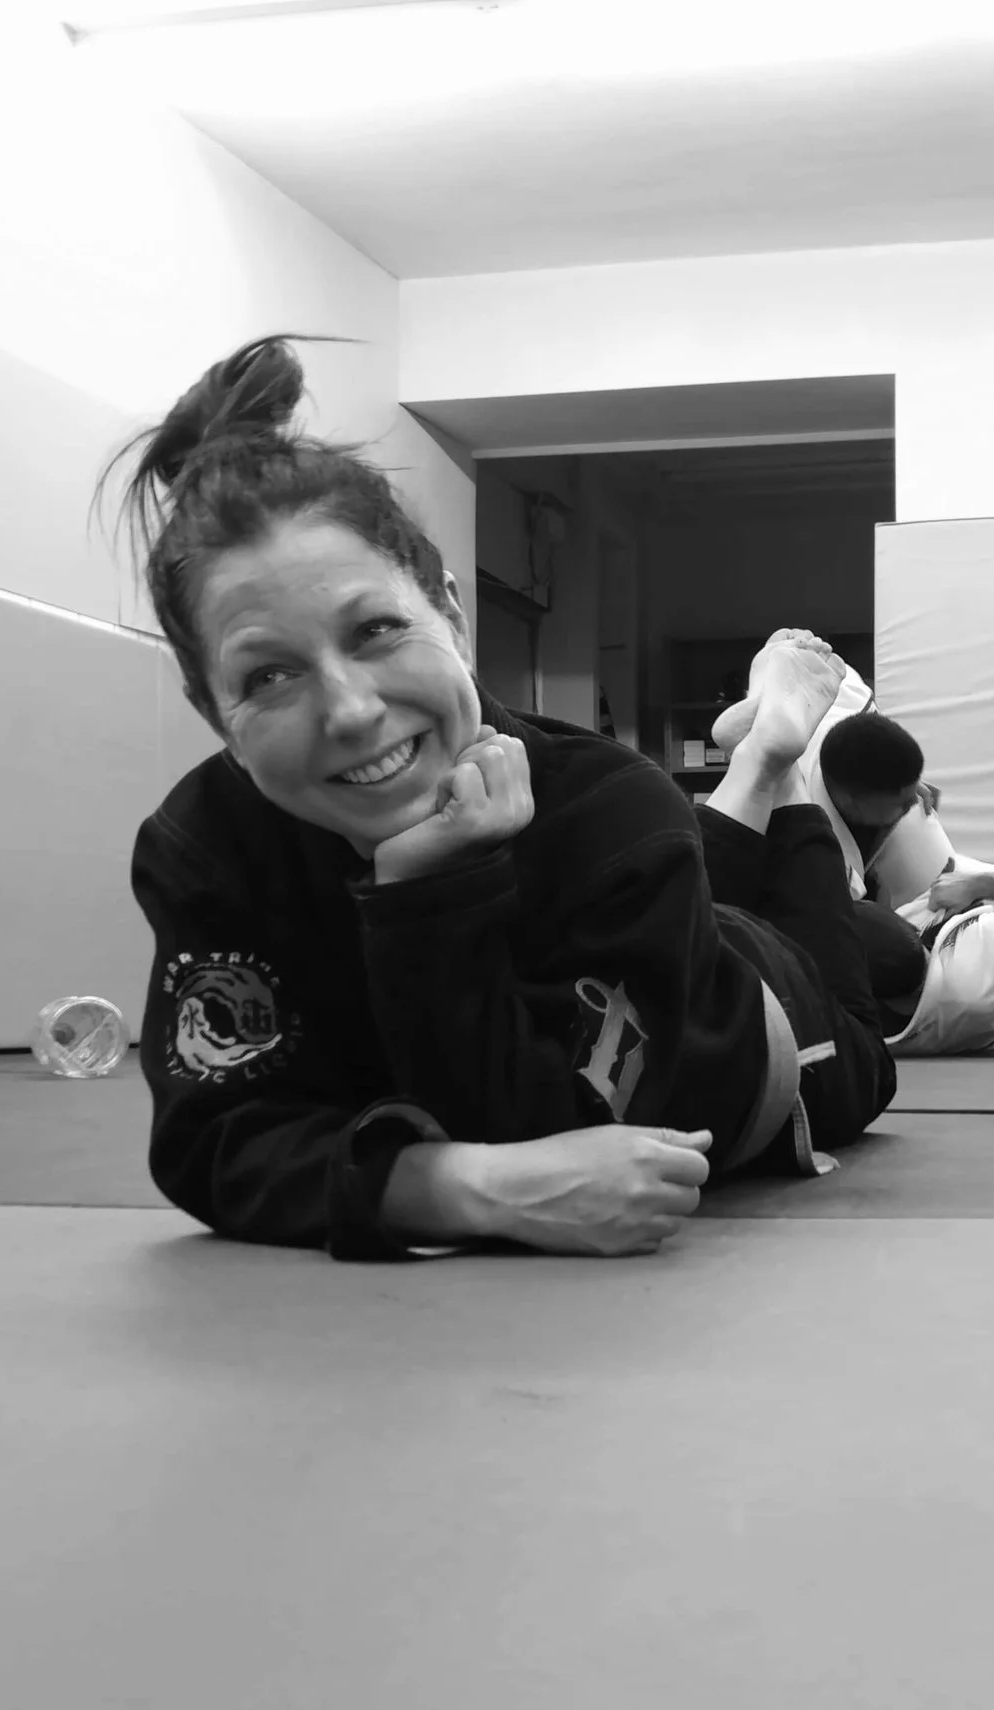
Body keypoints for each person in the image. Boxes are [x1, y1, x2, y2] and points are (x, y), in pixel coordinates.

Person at [119, 336, 912, 1261]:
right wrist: (456, 1188)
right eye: (267, 676)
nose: (349, 710)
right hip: (668, 914)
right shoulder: (205, 845)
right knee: (704, 887)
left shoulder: (613, 806)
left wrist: (427, 900)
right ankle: (763, 761)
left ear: (451, 614)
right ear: (209, 709)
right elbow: (213, 1141)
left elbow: (554, 1128)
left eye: (375, 629)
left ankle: (785, 758)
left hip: (778, 1029)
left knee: (859, 1004)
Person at [720, 690, 994, 1055]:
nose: (916, 801)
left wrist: (904, 787)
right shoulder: (800, 829)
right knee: (832, 917)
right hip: (924, 976)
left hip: (922, 999)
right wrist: (991, 884)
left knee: (943, 877)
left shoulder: (838, 707)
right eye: (901, 798)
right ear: (852, 802)